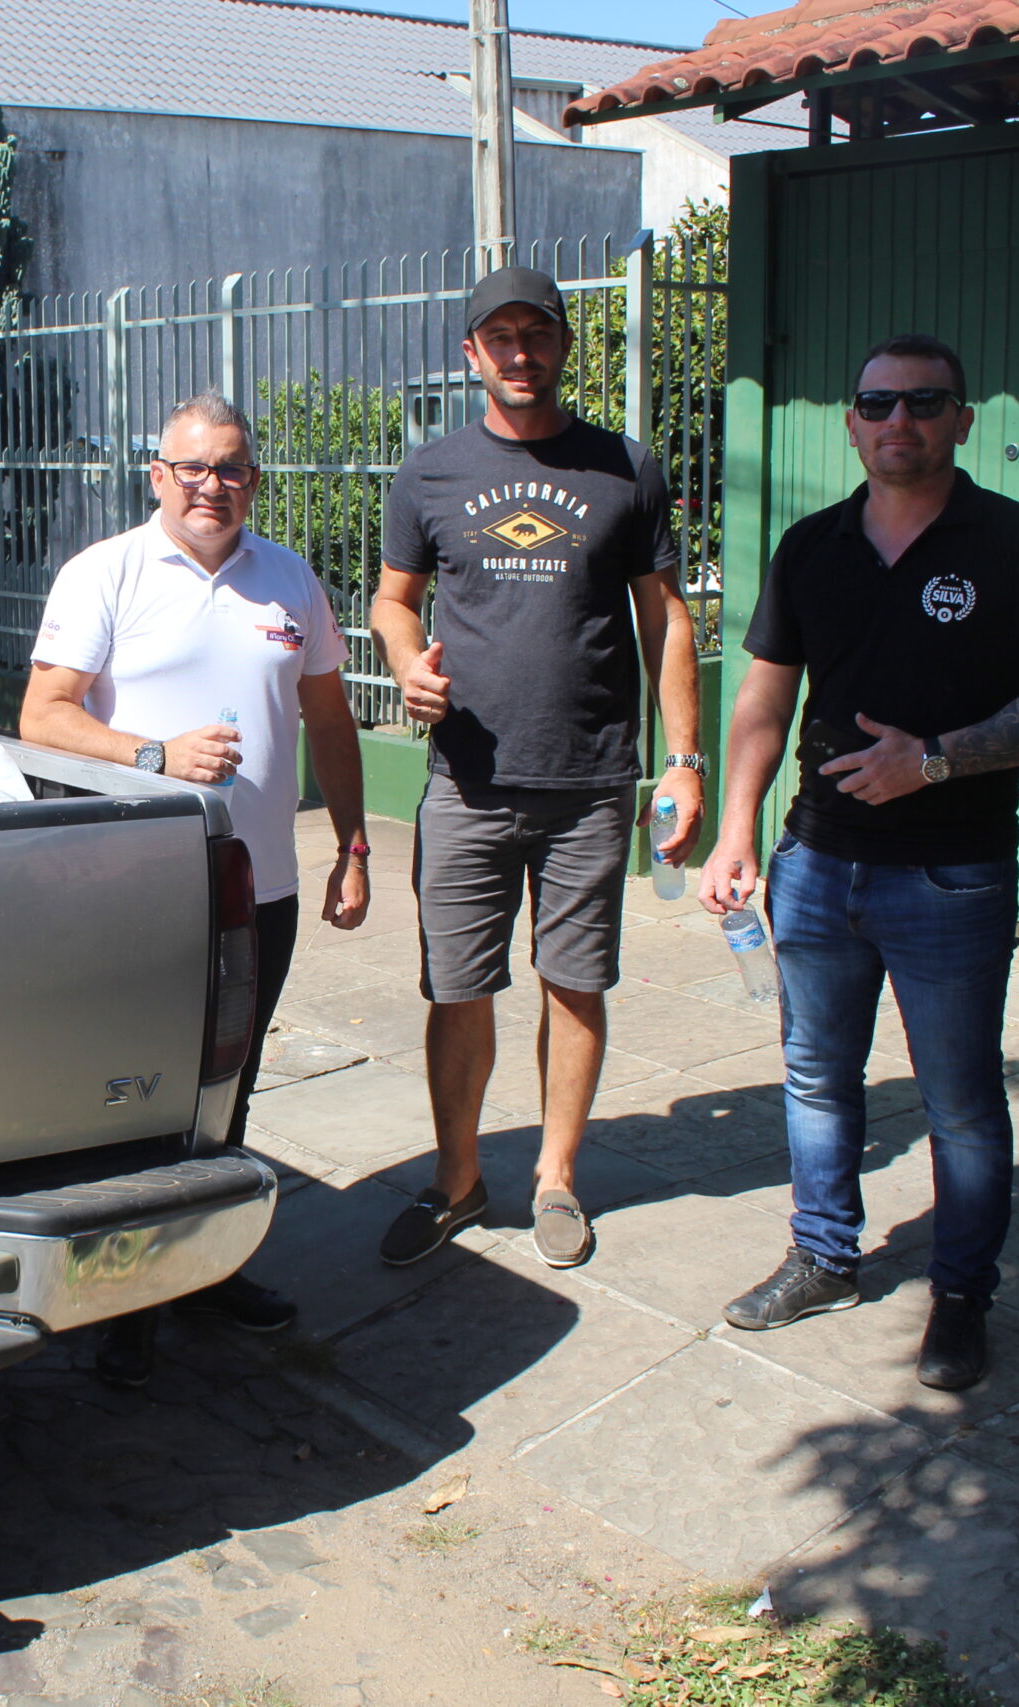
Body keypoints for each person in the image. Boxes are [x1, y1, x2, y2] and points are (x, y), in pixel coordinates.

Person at [699, 333, 1019, 1391]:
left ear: (963, 420)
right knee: (815, 1077)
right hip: (815, 865)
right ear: (851, 420)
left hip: (951, 875)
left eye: (925, 403)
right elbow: (761, 699)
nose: (899, 422)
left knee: (959, 1098)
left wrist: (930, 762)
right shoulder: (812, 547)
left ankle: (962, 1295)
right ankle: (824, 1256)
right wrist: (736, 829)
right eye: (877, 403)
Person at [21, 390, 371, 1387]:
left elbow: (332, 722)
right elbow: (42, 715)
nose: (211, 486)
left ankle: (207, 1268)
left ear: (253, 480)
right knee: (134, 1088)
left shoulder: (288, 581)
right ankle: (122, 1296)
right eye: (192, 467)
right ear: (156, 474)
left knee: (230, 1084)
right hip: (135, 885)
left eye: (231, 469)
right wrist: (154, 753)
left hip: (259, 888)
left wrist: (353, 844)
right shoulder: (107, 574)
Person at [367, 266, 704, 1272]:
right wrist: (401, 664)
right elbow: (392, 601)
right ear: (471, 354)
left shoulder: (624, 468)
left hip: (590, 780)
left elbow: (665, 616)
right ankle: (457, 1182)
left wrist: (681, 762)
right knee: (456, 988)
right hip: (466, 780)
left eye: (537, 333)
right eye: (499, 337)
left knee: (573, 983)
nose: (520, 352)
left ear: (562, 343)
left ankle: (556, 1178)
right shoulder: (427, 474)